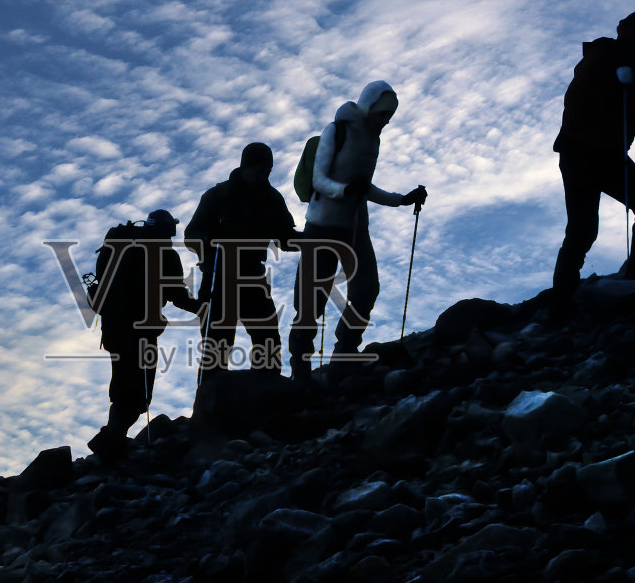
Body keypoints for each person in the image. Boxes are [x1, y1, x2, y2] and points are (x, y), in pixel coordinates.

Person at [288, 80, 427, 380]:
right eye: (382, 113)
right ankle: (301, 372)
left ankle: (344, 355)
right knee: (311, 300)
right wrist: (346, 190)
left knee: (366, 289)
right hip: (322, 225)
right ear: (368, 107)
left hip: (354, 226)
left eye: (389, 116)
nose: (386, 121)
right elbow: (320, 180)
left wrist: (402, 200)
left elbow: (365, 189)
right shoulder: (336, 131)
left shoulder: (373, 141)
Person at [550, 11, 635, 315]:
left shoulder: (612, 58)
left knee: (587, 226)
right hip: (589, 153)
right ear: (634, 37)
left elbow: (623, 109)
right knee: (633, 211)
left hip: (594, 153)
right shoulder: (608, 57)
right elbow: (612, 106)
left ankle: (564, 301)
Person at [89, 209, 200, 462]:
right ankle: (111, 440)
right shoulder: (163, 255)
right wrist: (202, 308)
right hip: (139, 330)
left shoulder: (122, 245)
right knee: (139, 390)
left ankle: (112, 438)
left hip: (115, 327)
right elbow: (177, 295)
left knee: (124, 383)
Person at [184, 143, 299, 374]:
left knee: (267, 339)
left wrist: (312, 238)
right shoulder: (218, 194)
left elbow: (285, 239)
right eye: (258, 167)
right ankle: (210, 404)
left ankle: (267, 395)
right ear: (245, 166)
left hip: (252, 275)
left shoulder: (272, 198)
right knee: (216, 345)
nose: (263, 172)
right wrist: (208, 238)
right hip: (218, 275)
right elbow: (190, 236)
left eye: (267, 168)